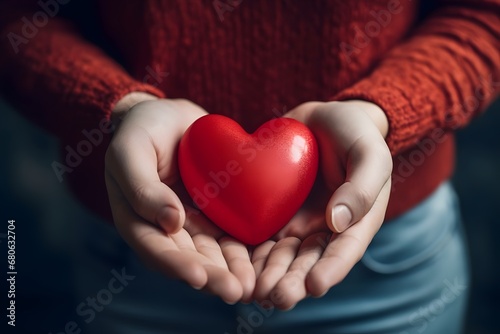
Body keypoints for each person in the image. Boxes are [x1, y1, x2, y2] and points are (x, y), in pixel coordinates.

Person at [1, 0, 498, 333]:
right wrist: (119, 108)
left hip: (382, 264)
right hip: (137, 252)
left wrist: (380, 113)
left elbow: (485, 15)